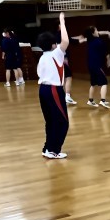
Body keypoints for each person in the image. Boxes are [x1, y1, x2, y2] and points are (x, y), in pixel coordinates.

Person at [37, 13, 70, 159]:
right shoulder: (56, 54)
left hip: (43, 90)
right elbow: (65, 40)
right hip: (53, 90)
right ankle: (54, 150)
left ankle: (47, 148)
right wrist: (62, 21)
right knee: (62, 122)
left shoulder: (42, 57)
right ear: (52, 45)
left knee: (50, 121)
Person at [73, 26, 110, 109]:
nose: (98, 31)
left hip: (90, 65)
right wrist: (108, 60)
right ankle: (103, 100)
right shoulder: (99, 42)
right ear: (93, 33)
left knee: (93, 83)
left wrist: (106, 32)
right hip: (97, 65)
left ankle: (90, 100)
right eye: (96, 30)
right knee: (104, 82)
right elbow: (106, 53)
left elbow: (97, 33)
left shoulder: (89, 40)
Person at [56, 22, 76, 105]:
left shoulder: (55, 36)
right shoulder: (61, 35)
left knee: (63, 78)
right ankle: (67, 96)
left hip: (58, 60)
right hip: (63, 60)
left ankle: (63, 96)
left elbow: (71, 39)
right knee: (68, 77)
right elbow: (71, 40)